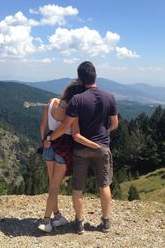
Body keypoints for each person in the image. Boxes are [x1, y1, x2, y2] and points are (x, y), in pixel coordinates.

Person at [45, 61, 119, 234]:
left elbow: (65, 126)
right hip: (102, 147)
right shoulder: (109, 97)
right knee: (104, 185)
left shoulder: (77, 99)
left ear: (80, 78)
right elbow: (115, 123)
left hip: (80, 148)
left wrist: (50, 137)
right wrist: (104, 133)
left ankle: (79, 223)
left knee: (78, 189)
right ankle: (106, 222)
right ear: (95, 76)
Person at [38, 81, 102, 233]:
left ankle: (58, 216)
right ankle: (46, 221)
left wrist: (45, 141)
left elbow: (42, 126)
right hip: (64, 148)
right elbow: (76, 135)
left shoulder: (52, 102)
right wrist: (96, 146)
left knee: (51, 184)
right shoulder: (73, 112)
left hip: (48, 145)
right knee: (55, 186)